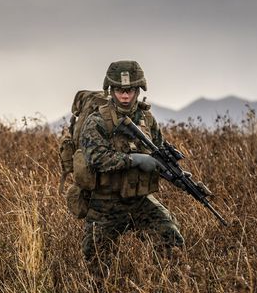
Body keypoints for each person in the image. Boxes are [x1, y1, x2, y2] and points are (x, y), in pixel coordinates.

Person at [78, 60, 184, 261]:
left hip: (139, 200)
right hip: (105, 203)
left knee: (170, 236)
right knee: (97, 262)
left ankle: (165, 288)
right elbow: (96, 159)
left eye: (130, 90)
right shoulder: (97, 121)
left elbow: (158, 150)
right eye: (119, 90)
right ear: (111, 90)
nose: (125, 95)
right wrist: (133, 160)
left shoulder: (147, 119)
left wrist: (176, 172)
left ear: (138, 90)